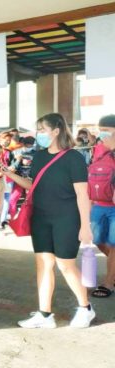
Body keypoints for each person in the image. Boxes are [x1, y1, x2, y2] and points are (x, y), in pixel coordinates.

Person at [0, 113, 95, 328]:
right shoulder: (39, 157)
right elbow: (33, 185)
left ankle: (85, 308)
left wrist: (85, 226)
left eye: (42, 130)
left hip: (67, 219)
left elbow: (82, 194)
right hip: (41, 218)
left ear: (56, 131)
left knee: (66, 265)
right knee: (43, 264)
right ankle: (44, 314)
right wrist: (9, 174)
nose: (39, 134)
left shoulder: (73, 158)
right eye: (38, 130)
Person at [89, 115, 115, 298]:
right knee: (98, 240)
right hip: (99, 204)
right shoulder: (97, 150)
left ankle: (109, 282)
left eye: (106, 130)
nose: (102, 134)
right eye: (101, 130)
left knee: (114, 244)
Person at [7, 136, 36, 218]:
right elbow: (12, 167)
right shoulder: (15, 152)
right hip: (18, 178)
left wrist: (30, 163)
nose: (29, 147)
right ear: (23, 144)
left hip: (31, 179)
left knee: (31, 200)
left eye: (31, 145)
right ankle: (12, 217)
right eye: (27, 145)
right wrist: (18, 160)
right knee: (13, 199)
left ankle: (29, 218)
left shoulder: (36, 153)